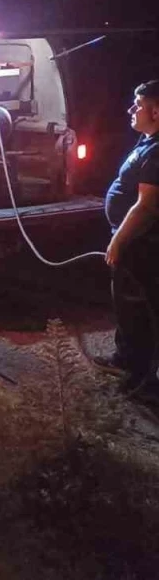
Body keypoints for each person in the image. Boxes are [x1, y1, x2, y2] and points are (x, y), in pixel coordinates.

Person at [101, 80, 159, 393]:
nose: (130, 110)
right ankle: (125, 358)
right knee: (125, 304)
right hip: (132, 241)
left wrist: (118, 240)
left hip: (143, 244)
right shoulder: (148, 141)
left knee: (139, 309)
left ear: (156, 111)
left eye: (137, 105)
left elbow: (146, 206)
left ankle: (142, 379)